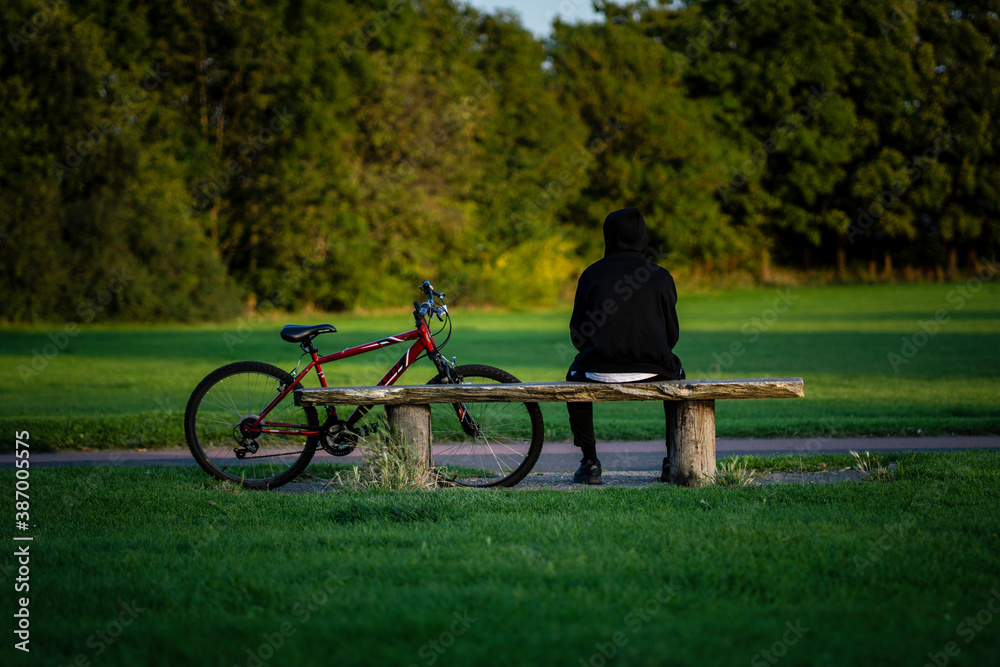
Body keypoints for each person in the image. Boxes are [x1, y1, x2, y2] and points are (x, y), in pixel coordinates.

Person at [566, 207, 685, 485]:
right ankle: (672, 461)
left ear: (608, 235)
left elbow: (577, 333)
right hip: (653, 369)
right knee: (679, 377)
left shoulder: (591, 274)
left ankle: (590, 463)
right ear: (643, 237)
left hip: (596, 368)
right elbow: (672, 335)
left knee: (572, 376)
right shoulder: (660, 276)